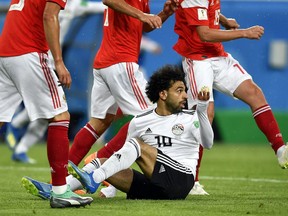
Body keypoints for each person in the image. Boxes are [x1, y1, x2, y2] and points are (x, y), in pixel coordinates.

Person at [21, 0, 178, 199]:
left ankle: (58, 183)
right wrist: (142, 15)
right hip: (121, 62)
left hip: (106, 62)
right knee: (150, 118)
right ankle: (100, 172)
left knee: (100, 122)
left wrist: (164, 14)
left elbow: (144, 26)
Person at [172, 0, 288, 193]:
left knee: (254, 93)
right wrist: (244, 33)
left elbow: (204, 12)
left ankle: (280, 150)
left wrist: (223, 19)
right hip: (198, 59)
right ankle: (191, 179)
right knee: (204, 114)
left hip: (217, 56)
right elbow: (204, 33)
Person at [68, 64, 214, 199]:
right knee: (101, 162)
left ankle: (95, 178)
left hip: (181, 181)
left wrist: (201, 110)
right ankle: (61, 188)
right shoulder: (140, 121)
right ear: (163, 94)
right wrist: (111, 188)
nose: (185, 96)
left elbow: (208, 144)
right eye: (179, 91)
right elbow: (123, 155)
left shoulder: (190, 118)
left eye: (185, 91)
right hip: (156, 185)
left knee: (136, 145)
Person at [0, 0, 93, 208]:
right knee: (59, 115)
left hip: (5, 52)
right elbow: (49, 16)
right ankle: (60, 191)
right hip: (29, 52)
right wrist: (58, 62)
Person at [5, 0, 106, 164]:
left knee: (50, 111)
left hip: (38, 57)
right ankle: (59, 185)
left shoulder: (77, 4)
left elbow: (102, 5)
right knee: (57, 111)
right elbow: (48, 17)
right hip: (40, 57)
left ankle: (21, 147)